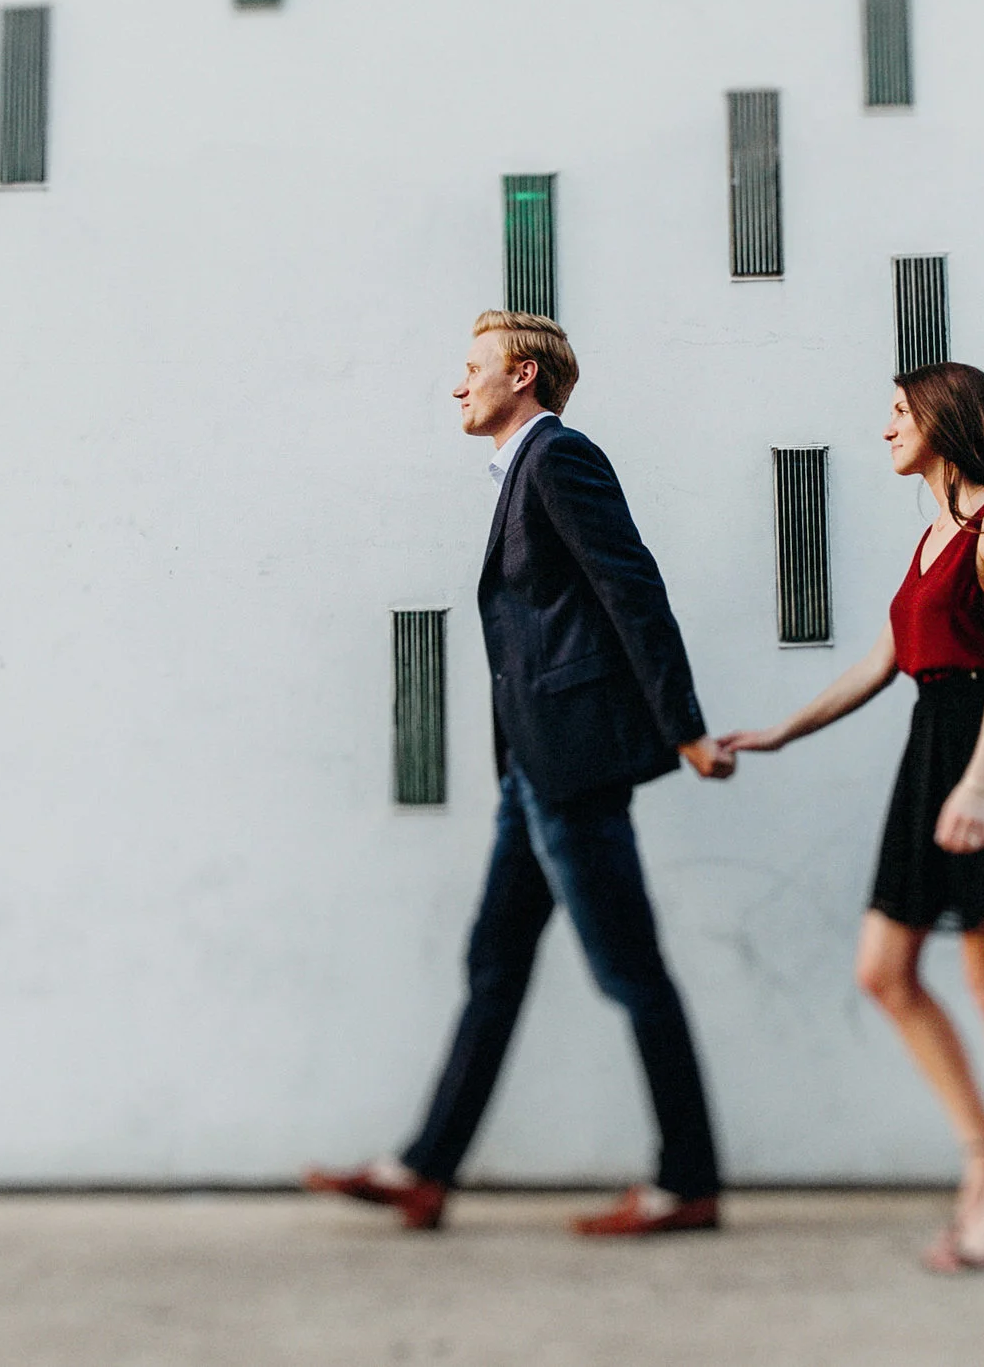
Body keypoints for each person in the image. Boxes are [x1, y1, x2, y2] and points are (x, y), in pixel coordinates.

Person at [307, 311, 737, 1237]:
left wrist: (685, 729)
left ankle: (688, 1181)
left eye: (474, 368)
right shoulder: (522, 473)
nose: (458, 385)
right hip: (532, 770)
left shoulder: (559, 459)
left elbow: (634, 588)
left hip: (571, 770)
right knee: (494, 964)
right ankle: (424, 1170)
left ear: (526, 376)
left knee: (630, 972)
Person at [718, 361, 984, 1273]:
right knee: (884, 970)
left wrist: (983, 783)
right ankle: (983, 1153)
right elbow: (880, 663)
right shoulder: (929, 537)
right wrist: (783, 732)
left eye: (899, 414)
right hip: (929, 758)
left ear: (946, 421)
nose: (885, 430)